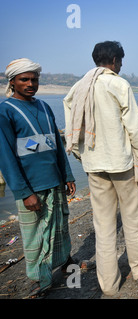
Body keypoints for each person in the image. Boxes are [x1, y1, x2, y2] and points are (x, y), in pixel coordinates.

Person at [63, 41, 138, 296]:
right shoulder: (118, 84)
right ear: (116, 60)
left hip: (94, 167)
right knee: (133, 218)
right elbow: (134, 128)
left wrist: (80, 155)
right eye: (121, 61)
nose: (121, 65)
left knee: (103, 226)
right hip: (121, 164)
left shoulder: (78, 87)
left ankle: (108, 284)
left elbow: (71, 127)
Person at [0, 58, 76, 298]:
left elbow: (57, 145)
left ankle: (66, 265)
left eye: (34, 79)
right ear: (12, 81)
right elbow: (6, 158)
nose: (31, 83)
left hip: (55, 181)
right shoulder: (5, 111)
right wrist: (24, 193)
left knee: (61, 227)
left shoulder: (44, 106)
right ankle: (39, 280)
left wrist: (68, 175)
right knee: (35, 236)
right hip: (32, 187)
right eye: (25, 79)